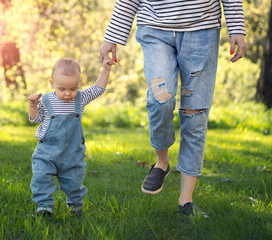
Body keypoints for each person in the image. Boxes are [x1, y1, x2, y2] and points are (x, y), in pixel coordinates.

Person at [100, 0, 246, 218]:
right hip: (155, 27)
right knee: (161, 99)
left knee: (194, 112)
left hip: (202, 29)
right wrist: (112, 36)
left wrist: (237, 28)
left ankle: (185, 201)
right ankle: (162, 162)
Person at [28, 57, 115, 216]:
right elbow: (37, 119)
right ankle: (44, 207)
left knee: (73, 182)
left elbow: (98, 89)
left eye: (73, 88)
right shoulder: (47, 100)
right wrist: (33, 106)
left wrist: (106, 69)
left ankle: (75, 207)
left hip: (72, 152)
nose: (68, 94)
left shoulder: (80, 98)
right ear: (52, 83)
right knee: (41, 177)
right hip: (46, 150)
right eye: (62, 89)